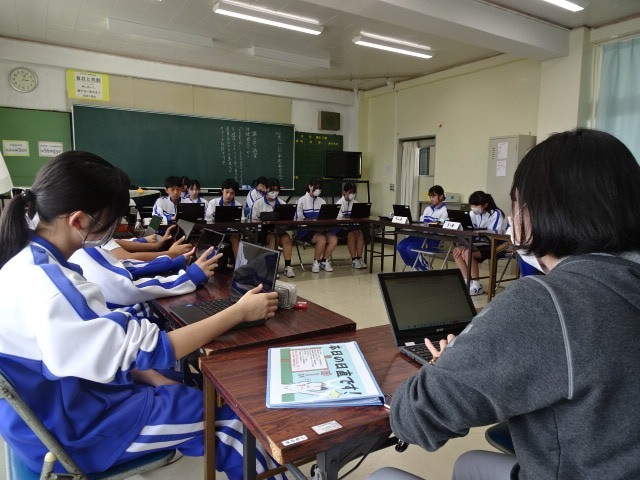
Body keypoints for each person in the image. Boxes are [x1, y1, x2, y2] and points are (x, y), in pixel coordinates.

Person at [0, 151, 282, 479]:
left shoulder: (27, 260)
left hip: (61, 406)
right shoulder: (54, 287)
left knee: (188, 385)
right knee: (235, 422)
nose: (113, 230)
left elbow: (104, 348)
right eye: (109, 221)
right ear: (77, 221)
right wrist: (239, 311)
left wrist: (156, 378)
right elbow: (155, 348)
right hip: (77, 432)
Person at [384, 128, 640, 480]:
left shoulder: (546, 303)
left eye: (516, 203)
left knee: (384, 475)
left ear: (538, 212)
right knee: (470, 463)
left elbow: (416, 417)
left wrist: (446, 363)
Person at [452, 190, 506, 295]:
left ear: (485, 205)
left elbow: (492, 235)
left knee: (468, 253)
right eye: (472, 205)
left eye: (476, 205)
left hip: (497, 245)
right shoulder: (472, 213)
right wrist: (464, 245)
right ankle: (467, 282)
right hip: (479, 244)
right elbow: (470, 231)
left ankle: (477, 286)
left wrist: (468, 246)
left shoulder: (496, 214)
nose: (473, 208)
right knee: (457, 252)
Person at [250, 177, 295, 278]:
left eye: (276, 190)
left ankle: (288, 267)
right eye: (271, 190)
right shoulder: (258, 203)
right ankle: (271, 268)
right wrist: (263, 222)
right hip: (263, 233)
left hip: (279, 231)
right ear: (266, 189)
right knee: (273, 238)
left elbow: (288, 219)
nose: (274, 193)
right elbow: (252, 221)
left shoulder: (282, 203)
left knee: (287, 239)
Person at [397, 185, 448, 270]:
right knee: (400, 246)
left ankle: (425, 268)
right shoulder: (428, 209)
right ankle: (415, 266)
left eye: (433, 196)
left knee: (411, 248)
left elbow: (441, 225)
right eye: (430, 197)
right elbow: (421, 222)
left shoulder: (445, 211)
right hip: (420, 235)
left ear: (441, 196)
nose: (431, 199)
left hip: (432, 238)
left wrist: (430, 224)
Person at [295, 177, 338, 273]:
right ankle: (316, 262)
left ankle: (324, 261)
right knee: (321, 239)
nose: (318, 190)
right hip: (305, 231)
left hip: (320, 229)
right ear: (310, 186)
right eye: (316, 188)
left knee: (334, 239)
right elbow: (299, 219)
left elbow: (326, 218)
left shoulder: (322, 201)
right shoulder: (301, 201)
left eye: (319, 188)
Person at [205, 178, 242, 263]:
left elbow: (241, 222)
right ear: (222, 191)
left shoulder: (238, 205)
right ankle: (210, 265)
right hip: (216, 231)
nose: (229, 195)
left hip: (231, 233)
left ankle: (239, 266)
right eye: (227, 192)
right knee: (211, 239)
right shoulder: (213, 203)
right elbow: (208, 220)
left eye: (232, 193)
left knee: (235, 238)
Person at [335, 181, 367, 269]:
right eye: (350, 192)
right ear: (345, 192)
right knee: (351, 234)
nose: (352, 195)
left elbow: (358, 218)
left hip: (352, 227)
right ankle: (354, 260)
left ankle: (359, 258)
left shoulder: (356, 203)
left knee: (360, 233)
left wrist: (356, 228)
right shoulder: (339, 204)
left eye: (354, 192)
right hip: (340, 228)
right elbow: (339, 221)